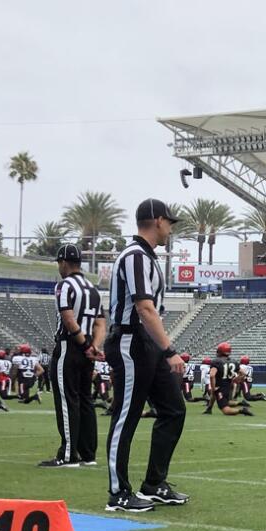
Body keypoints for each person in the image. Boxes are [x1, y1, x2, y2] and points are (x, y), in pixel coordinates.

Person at [104, 198, 188, 513]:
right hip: (130, 340)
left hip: (145, 342)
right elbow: (144, 307)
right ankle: (118, 492)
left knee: (173, 409)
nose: (170, 228)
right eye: (169, 221)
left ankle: (154, 484)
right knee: (126, 416)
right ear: (156, 220)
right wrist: (170, 350)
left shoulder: (147, 258)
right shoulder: (135, 256)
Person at [40, 244, 106, 467]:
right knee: (85, 399)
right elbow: (100, 324)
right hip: (87, 351)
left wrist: (84, 344)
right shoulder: (92, 288)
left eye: (59, 263)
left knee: (68, 400)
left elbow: (68, 319)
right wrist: (93, 347)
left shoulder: (64, 285)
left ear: (64, 263)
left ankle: (67, 454)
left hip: (70, 346)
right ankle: (88, 454)